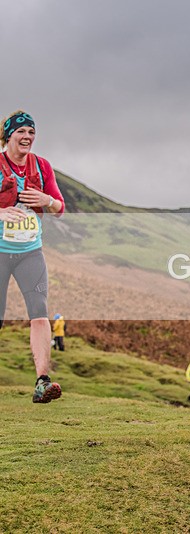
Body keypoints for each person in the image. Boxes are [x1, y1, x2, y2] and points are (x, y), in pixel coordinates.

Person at [0, 110, 66, 404]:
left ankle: (42, 382)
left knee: (39, 315)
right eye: (21, 132)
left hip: (31, 253)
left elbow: (59, 207)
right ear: (8, 136)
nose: (27, 138)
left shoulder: (42, 166)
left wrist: (46, 200)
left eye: (31, 133)